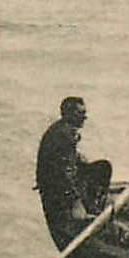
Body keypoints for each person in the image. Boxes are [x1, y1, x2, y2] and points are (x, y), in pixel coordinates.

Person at [34, 96, 111, 241]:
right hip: (56, 189)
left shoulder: (60, 129)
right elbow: (65, 173)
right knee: (103, 168)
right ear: (68, 114)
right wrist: (76, 203)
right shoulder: (65, 135)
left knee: (100, 167)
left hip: (52, 184)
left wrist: (77, 158)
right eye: (80, 113)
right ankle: (90, 213)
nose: (85, 117)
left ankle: (90, 208)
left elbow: (64, 161)